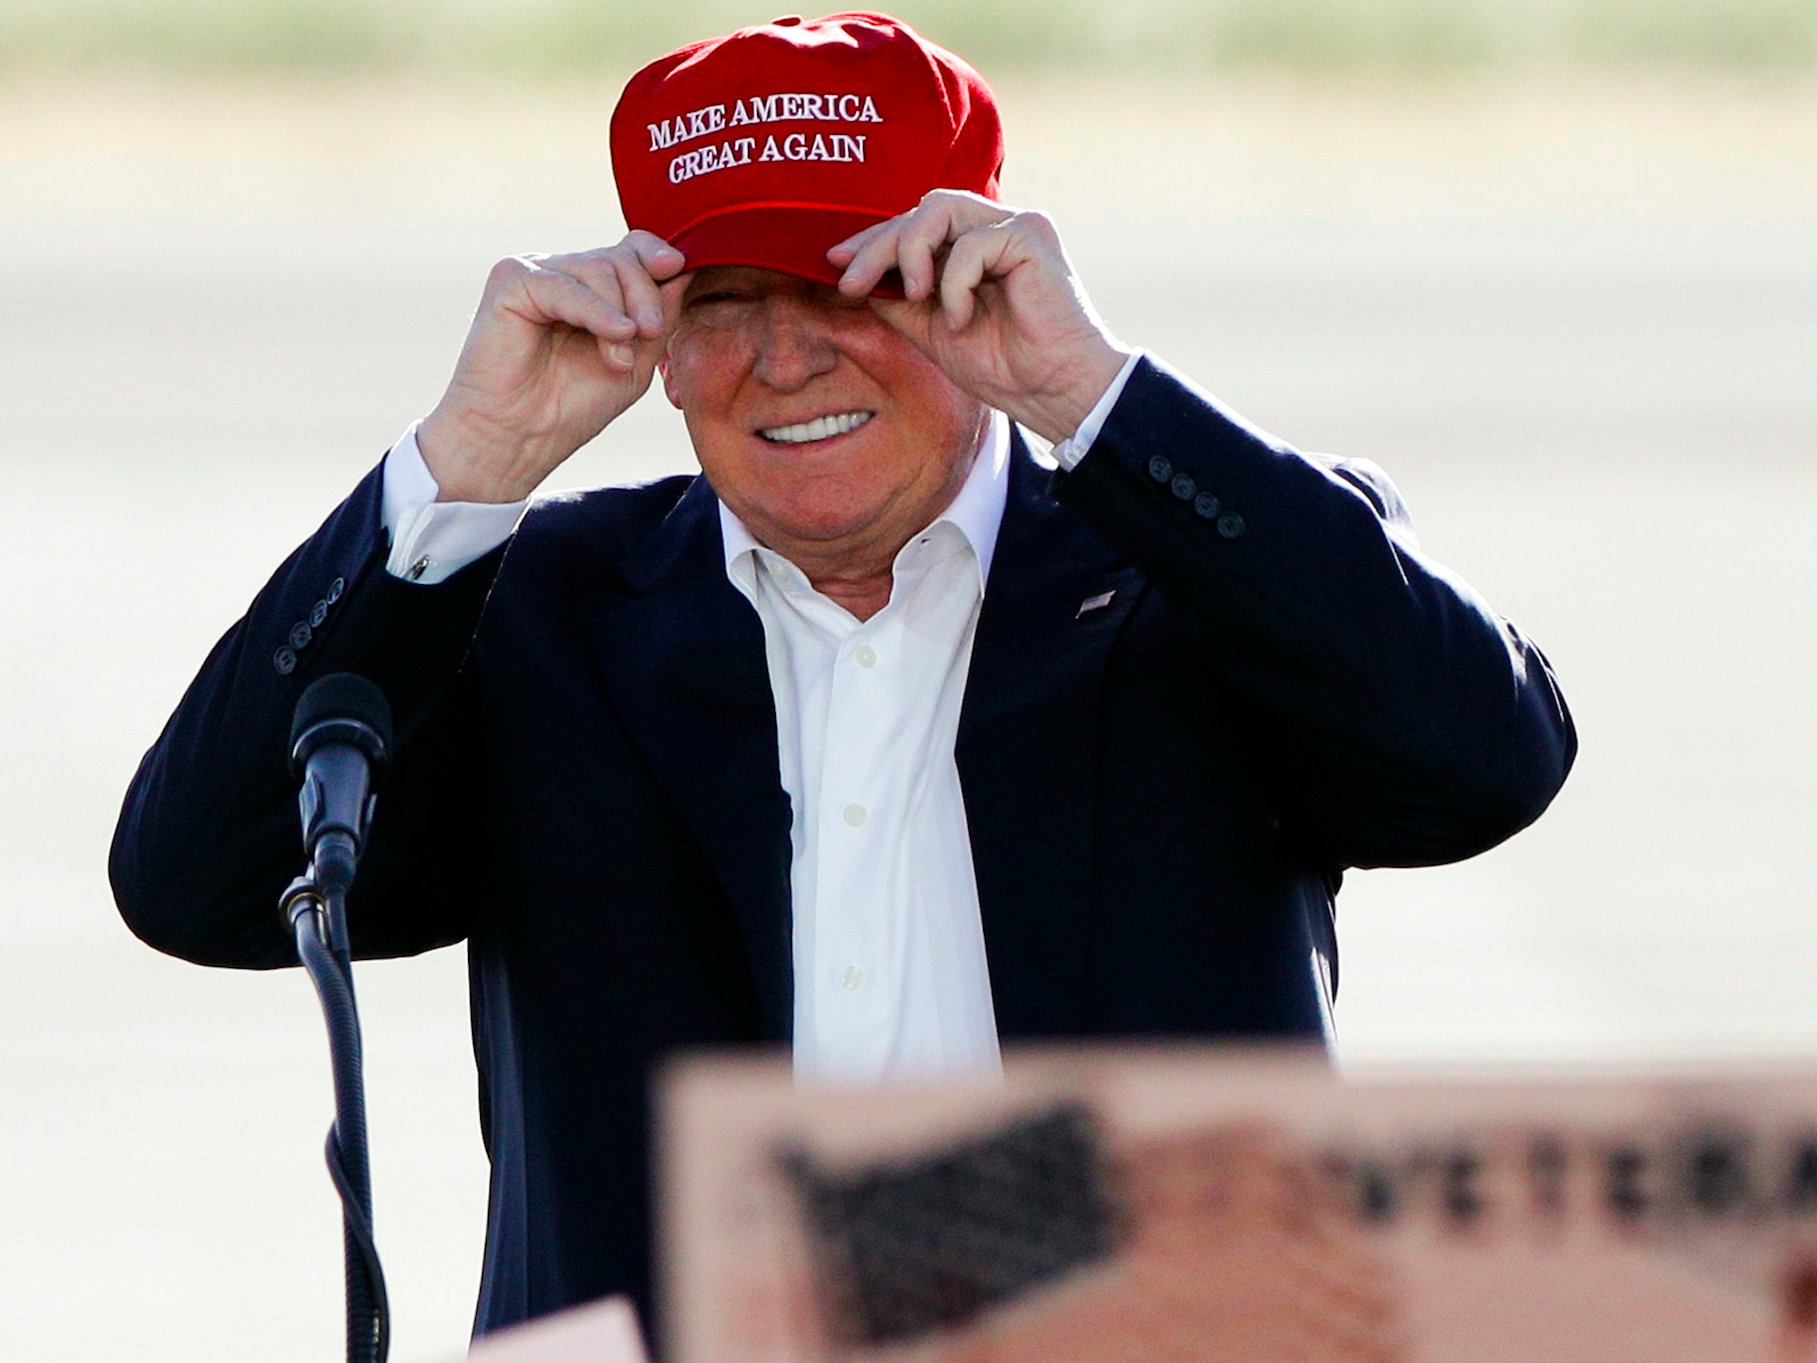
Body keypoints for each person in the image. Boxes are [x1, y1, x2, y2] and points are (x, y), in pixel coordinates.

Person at [110, 10, 1575, 1345]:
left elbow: (1483, 762)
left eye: (847, 284)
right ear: (652, 336)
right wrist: (465, 466)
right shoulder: (545, 612)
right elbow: (199, 882)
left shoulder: (1193, 573)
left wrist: (1092, 397)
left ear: (971, 274)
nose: (784, 355)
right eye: (721, 300)